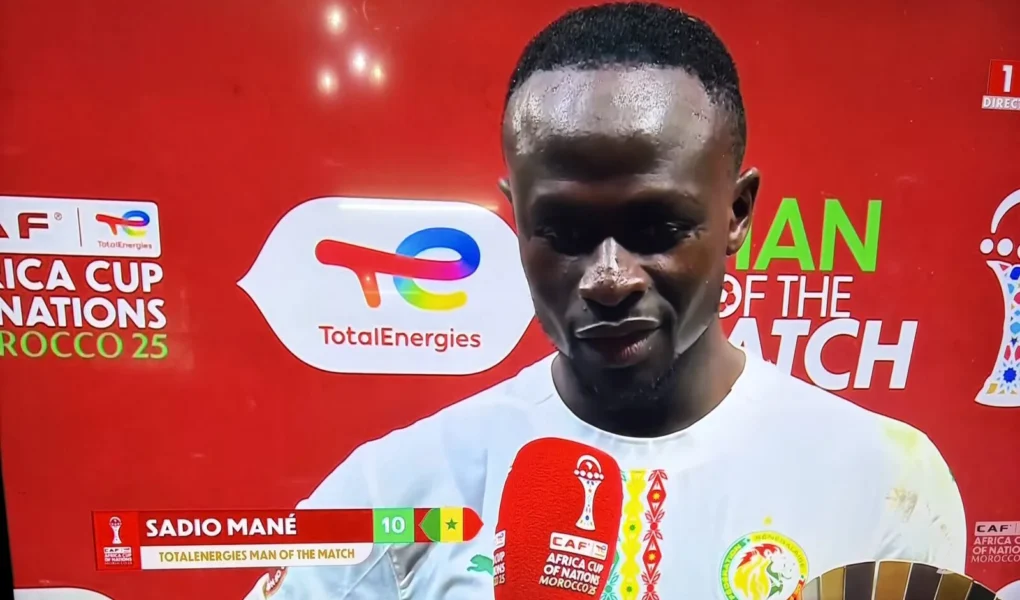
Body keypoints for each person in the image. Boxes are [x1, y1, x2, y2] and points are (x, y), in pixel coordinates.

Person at [246, 3, 965, 599]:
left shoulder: (882, 481)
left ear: (738, 213)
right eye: (564, 233)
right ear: (517, 219)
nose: (609, 278)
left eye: (657, 229)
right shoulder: (399, 487)